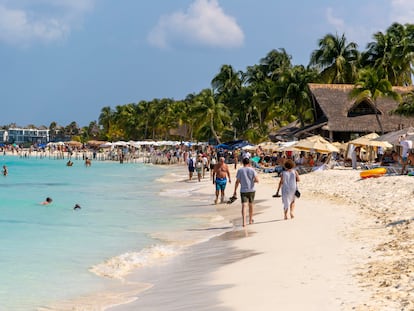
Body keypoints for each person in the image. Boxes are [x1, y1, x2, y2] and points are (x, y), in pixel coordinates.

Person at [233, 157, 259, 227]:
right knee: (251, 205)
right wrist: (251, 181)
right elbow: (257, 180)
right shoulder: (252, 170)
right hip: (251, 190)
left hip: (243, 190)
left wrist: (235, 191)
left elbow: (237, 181)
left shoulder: (240, 170)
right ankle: (250, 220)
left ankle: (244, 222)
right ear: (249, 163)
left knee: (244, 206)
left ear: (243, 163)